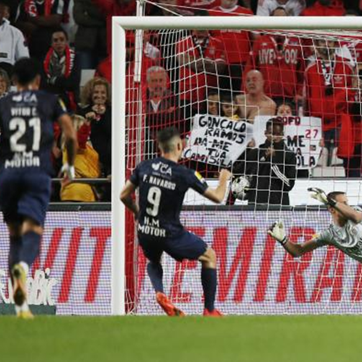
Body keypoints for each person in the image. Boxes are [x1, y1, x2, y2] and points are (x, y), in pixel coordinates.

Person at [0, 58, 77, 319]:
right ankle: (22, 267)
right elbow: (70, 132)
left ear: (13, 82)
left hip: (9, 173)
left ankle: (20, 306)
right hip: (36, 172)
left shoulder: (1, 104)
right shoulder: (49, 101)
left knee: (14, 235)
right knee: (33, 231)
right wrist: (69, 165)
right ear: (38, 80)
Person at [120, 127, 229, 317]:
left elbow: (123, 195)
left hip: (146, 230)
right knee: (209, 256)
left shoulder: (144, 166)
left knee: (153, 259)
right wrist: (223, 180)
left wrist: (138, 213)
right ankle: (210, 310)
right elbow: (218, 197)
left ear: (159, 147)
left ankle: (160, 292)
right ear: (179, 146)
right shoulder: (185, 174)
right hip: (170, 233)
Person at [229, 118, 297, 205]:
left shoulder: (289, 155)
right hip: (255, 204)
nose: (274, 137)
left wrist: (273, 162)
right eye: (271, 133)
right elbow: (237, 172)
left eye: (277, 134)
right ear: (265, 133)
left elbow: (289, 185)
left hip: (278, 206)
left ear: (282, 134)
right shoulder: (255, 153)